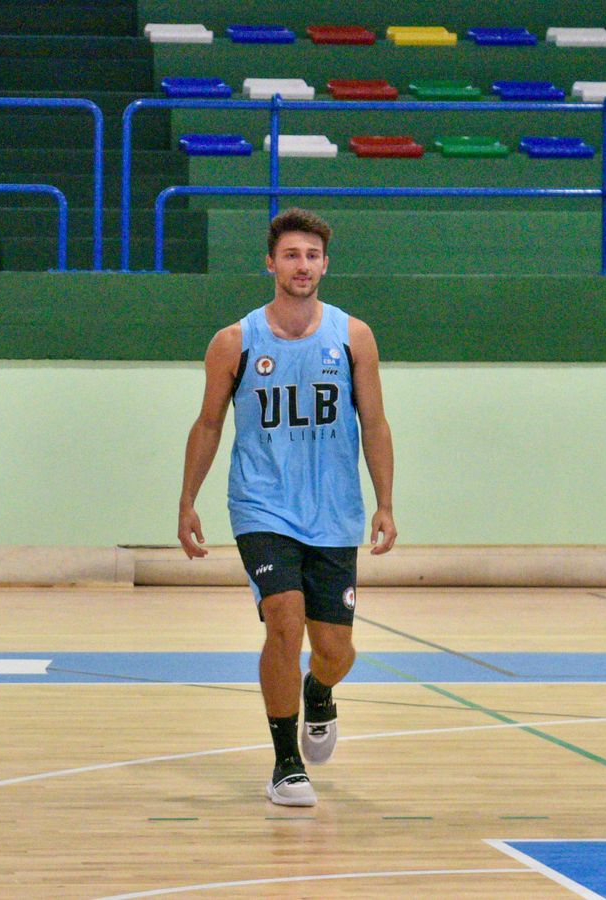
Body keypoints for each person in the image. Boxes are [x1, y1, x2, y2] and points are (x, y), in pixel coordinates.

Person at [176, 208, 396, 807]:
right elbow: (208, 423)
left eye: (313, 256)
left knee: (334, 650)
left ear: (326, 264)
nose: (303, 265)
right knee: (283, 619)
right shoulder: (235, 341)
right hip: (261, 504)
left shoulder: (353, 336)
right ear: (270, 263)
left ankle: (319, 693)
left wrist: (385, 503)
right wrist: (188, 501)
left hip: (334, 511)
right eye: (292, 255)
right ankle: (285, 763)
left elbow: (373, 422)